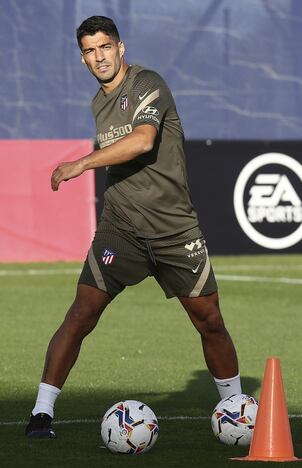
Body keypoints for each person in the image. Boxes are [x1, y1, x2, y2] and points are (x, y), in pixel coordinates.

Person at [25, 15, 241, 438]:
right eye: (89, 50)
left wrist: (81, 162)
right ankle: (41, 413)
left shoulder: (147, 83)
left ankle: (234, 410)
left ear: (120, 48)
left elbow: (143, 140)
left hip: (174, 229)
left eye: (105, 46)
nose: (99, 56)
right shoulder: (97, 103)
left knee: (209, 320)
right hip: (120, 228)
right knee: (81, 313)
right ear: (83, 59)